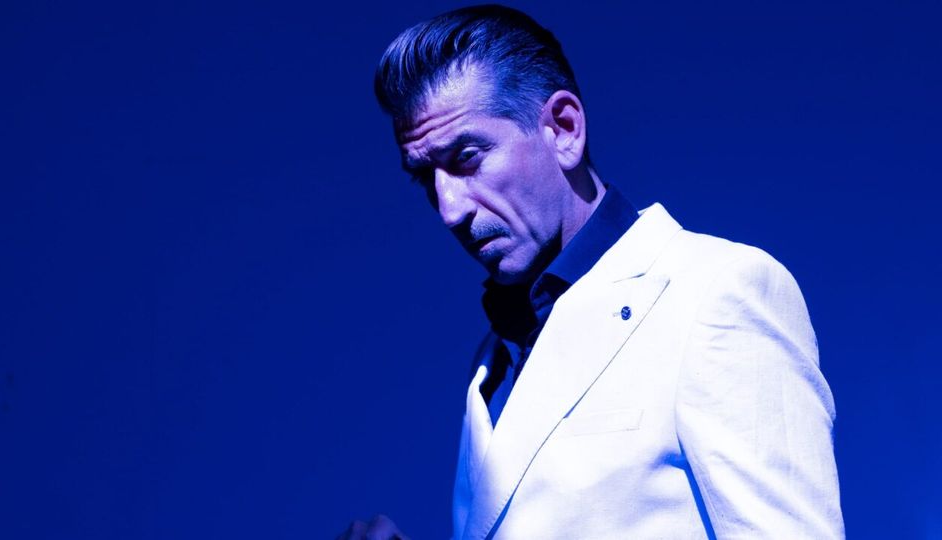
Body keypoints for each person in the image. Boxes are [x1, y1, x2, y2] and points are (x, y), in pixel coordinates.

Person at [341, 4, 843, 539]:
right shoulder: (491, 362)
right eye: (426, 178)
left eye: (467, 157)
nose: (449, 209)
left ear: (563, 129)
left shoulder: (715, 291)